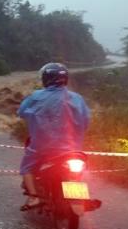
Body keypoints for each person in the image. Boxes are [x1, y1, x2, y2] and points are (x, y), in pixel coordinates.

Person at [18, 63, 90, 211]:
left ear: (46, 79)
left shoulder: (36, 97)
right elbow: (86, 121)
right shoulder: (78, 98)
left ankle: (33, 197)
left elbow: (21, 112)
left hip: (42, 149)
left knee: (26, 168)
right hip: (72, 150)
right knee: (77, 171)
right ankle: (77, 196)